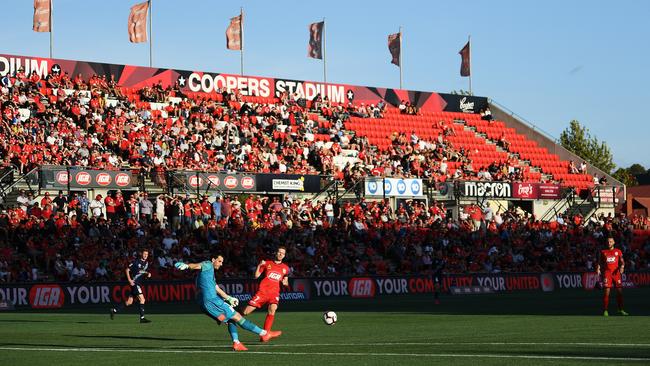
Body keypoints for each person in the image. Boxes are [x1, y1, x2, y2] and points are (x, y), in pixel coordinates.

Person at [174, 254, 281, 351]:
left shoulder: (208, 275)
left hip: (204, 305)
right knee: (238, 316)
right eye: (219, 261)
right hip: (213, 301)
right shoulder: (208, 264)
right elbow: (197, 265)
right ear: (213, 259)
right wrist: (187, 266)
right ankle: (265, 334)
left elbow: (216, 288)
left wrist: (228, 298)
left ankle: (236, 343)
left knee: (230, 319)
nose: (221, 264)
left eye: (222, 262)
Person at [242, 247, 290, 335]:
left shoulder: (286, 268)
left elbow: (286, 282)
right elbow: (256, 276)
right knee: (245, 312)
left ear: (284, 256)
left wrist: (285, 283)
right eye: (279, 252)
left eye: (283, 253)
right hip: (263, 292)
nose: (280, 254)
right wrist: (259, 265)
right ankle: (232, 317)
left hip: (274, 293)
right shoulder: (267, 263)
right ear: (275, 253)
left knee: (272, 309)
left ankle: (265, 335)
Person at [110, 248, 152, 323]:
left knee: (129, 302)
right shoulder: (136, 262)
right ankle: (142, 318)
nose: (145, 255)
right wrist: (129, 280)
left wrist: (147, 274)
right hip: (135, 283)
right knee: (142, 299)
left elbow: (142, 273)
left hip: (138, 283)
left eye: (147, 254)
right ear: (141, 254)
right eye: (144, 254)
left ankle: (114, 310)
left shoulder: (146, 263)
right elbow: (127, 270)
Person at [596, 236, 628, 316]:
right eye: (608, 241)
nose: (609, 243)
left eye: (610, 241)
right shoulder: (603, 252)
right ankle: (605, 310)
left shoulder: (618, 251)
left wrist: (622, 267)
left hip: (616, 273)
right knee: (607, 292)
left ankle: (620, 309)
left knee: (619, 292)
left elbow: (622, 262)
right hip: (607, 274)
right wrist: (598, 268)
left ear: (614, 242)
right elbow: (599, 262)